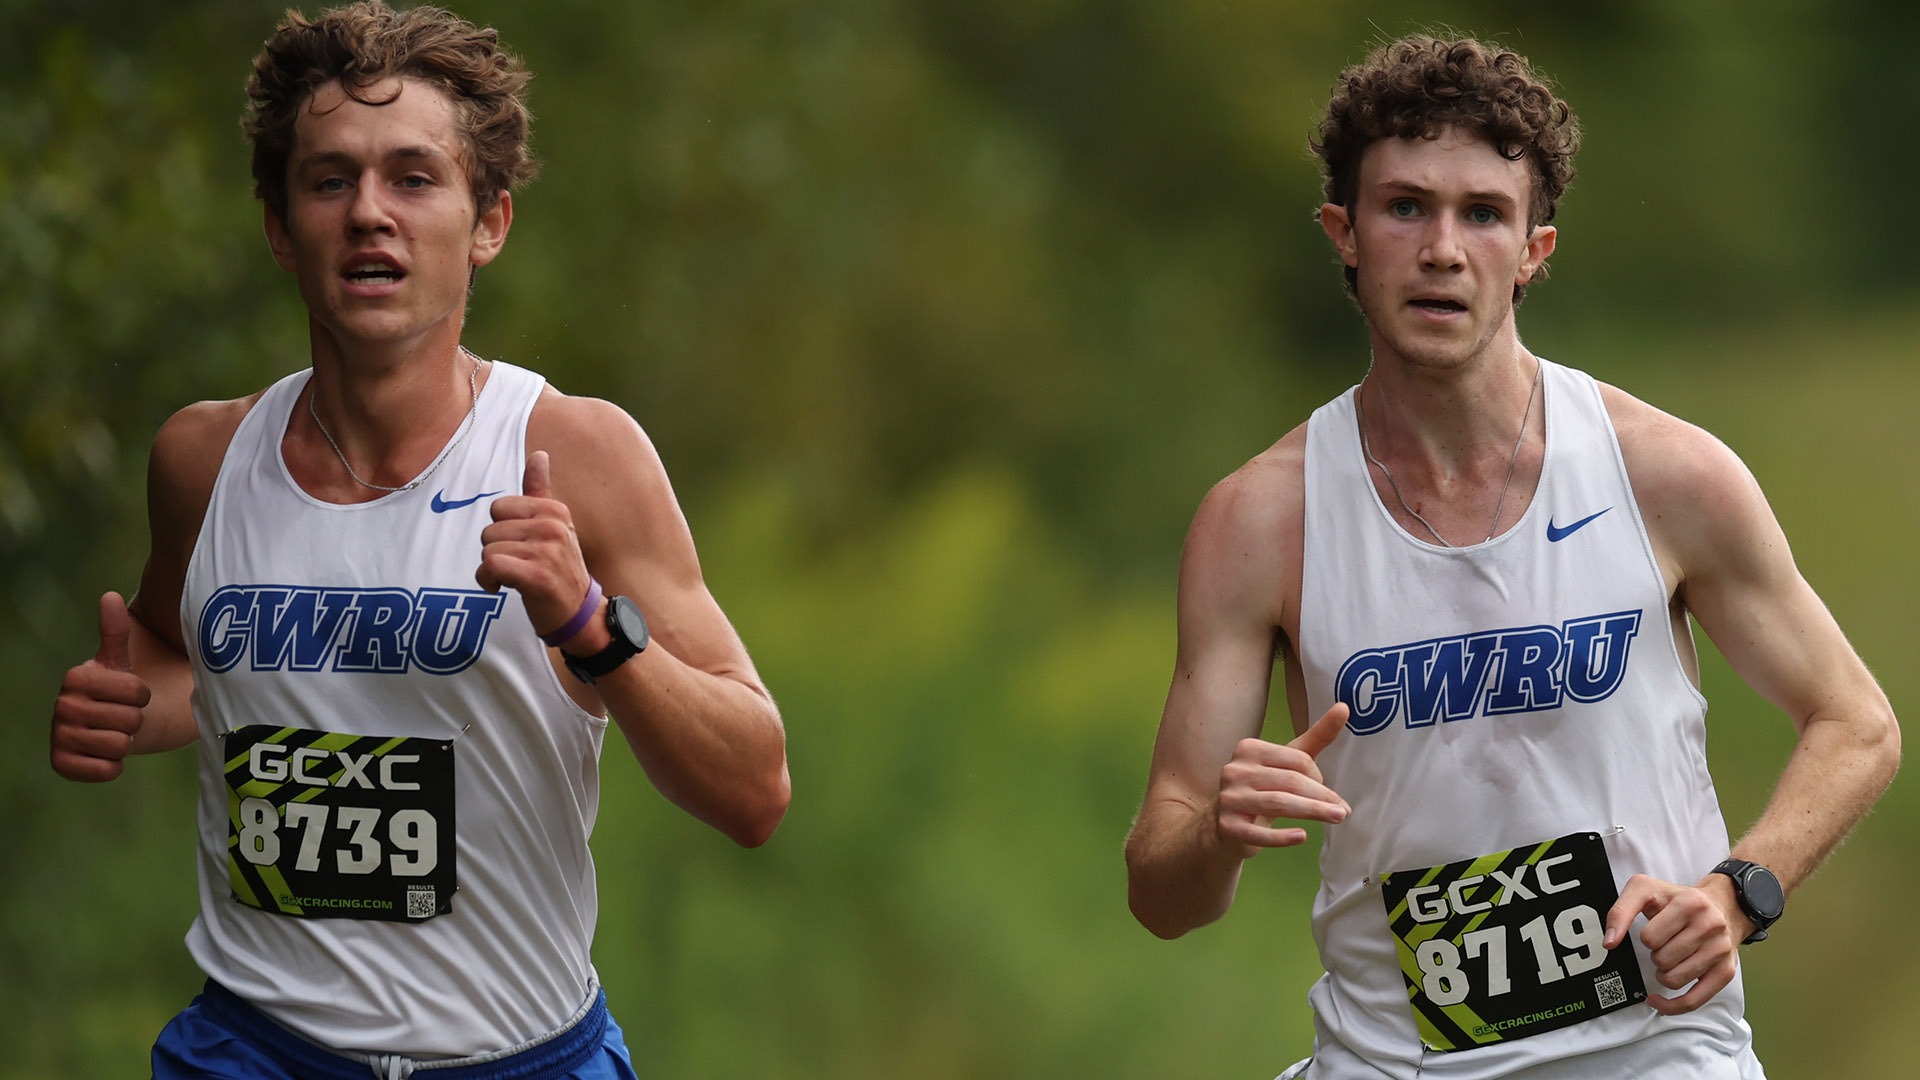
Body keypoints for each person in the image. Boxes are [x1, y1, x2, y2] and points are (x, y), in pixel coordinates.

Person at [1123, 34, 1898, 1080]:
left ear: (1534, 250)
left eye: (1483, 214)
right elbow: (1163, 897)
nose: (1443, 248)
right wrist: (1217, 829)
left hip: (1655, 1049)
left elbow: (1858, 723)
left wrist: (1736, 892)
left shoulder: (1664, 475)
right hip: (1388, 1060)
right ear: (1344, 235)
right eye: (1406, 208)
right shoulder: (1260, 523)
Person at [47, 3, 790, 1076]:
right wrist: (125, 710)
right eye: (329, 179)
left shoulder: (573, 455)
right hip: (255, 1048)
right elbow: (186, 665)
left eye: (413, 177)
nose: (368, 216)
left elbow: (755, 788)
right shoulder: (204, 461)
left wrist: (587, 625)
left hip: (518, 1055)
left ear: (487, 222)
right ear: (277, 224)